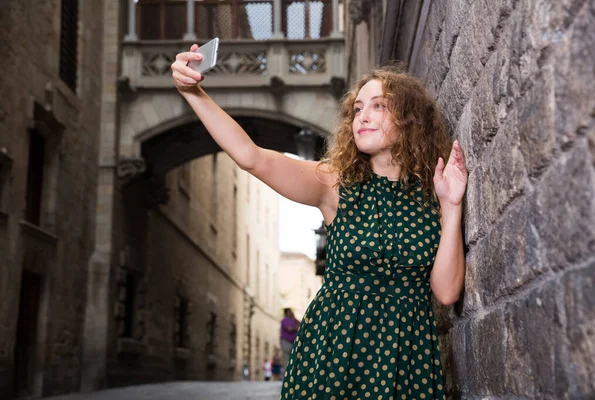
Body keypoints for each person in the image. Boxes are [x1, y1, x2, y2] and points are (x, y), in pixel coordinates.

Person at [171, 45, 467, 399]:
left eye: (378, 106)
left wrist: (451, 207)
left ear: (411, 118)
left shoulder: (431, 195)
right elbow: (252, 157)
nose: (363, 116)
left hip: (407, 357)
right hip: (334, 353)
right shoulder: (336, 184)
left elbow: (447, 292)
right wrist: (194, 93)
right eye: (358, 109)